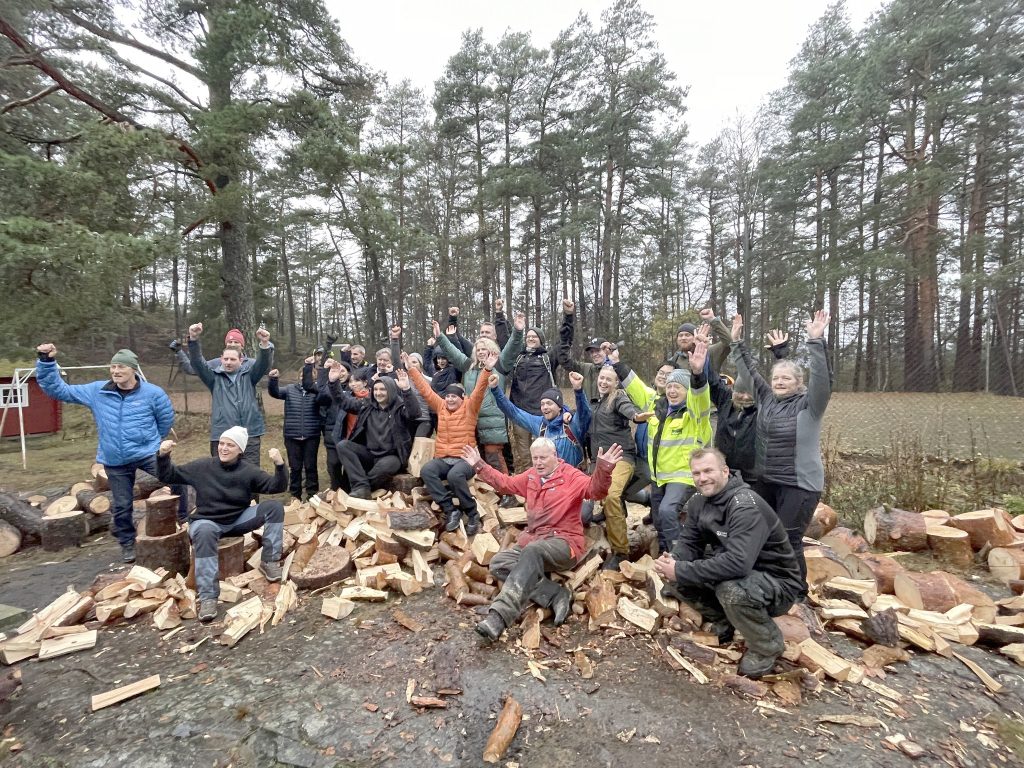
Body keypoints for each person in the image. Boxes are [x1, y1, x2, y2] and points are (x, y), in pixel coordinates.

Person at [653, 448, 803, 679]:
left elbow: (738, 563)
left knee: (730, 590)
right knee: (675, 577)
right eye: (696, 473)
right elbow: (690, 542)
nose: (702, 478)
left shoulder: (745, 506)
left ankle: (767, 645)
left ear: (725, 471)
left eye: (708, 471)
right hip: (737, 571)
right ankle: (726, 620)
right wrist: (675, 561)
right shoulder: (698, 501)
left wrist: (682, 570)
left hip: (776, 584)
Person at [464, 438, 624, 642]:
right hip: (535, 542)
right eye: (535, 458)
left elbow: (596, 490)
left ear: (555, 456)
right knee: (499, 563)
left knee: (533, 551)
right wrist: (479, 464)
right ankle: (556, 593)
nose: (538, 462)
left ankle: (500, 616)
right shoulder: (531, 477)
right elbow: (505, 484)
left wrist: (604, 469)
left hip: (565, 544)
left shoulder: (571, 476)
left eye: (543, 458)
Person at [35, 344, 175, 563]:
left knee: (177, 481)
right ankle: (128, 544)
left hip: (147, 452)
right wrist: (46, 362)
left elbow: (165, 419)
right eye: (113, 367)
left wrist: (151, 441)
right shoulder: (97, 392)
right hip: (115, 460)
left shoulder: (153, 393)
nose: (115, 371)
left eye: (121, 367)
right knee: (121, 506)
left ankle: (185, 523)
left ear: (133, 370)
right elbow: (58, 390)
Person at [731, 311, 832, 587]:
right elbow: (748, 371)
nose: (779, 381)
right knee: (760, 532)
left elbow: (822, 379)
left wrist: (815, 342)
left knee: (789, 539)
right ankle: (767, 580)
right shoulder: (766, 398)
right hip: (767, 480)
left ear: (799, 383)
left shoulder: (810, 405)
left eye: (786, 378)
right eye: (776, 377)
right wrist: (736, 342)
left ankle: (796, 590)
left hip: (799, 485)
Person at [156, 428, 287, 623]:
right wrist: (163, 456)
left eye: (230, 445)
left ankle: (270, 561)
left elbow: (277, 486)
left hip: (237, 519)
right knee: (204, 531)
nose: (224, 448)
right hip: (208, 521)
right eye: (222, 443)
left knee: (274, 507)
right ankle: (208, 597)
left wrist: (279, 464)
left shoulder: (248, 471)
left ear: (240, 450)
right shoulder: (202, 467)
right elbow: (169, 475)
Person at [616, 341, 712, 553]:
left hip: (682, 476)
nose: (672, 391)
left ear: (687, 391)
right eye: (669, 386)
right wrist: (617, 363)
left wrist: (697, 374)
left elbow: (701, 398)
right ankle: (665, 553)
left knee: (668, 512)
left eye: (677, 387)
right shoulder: (656, 407)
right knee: (659, 519)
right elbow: (637, 387)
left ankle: (680, 558)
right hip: (659, 476)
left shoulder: (694, 414)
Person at [404, 349, 496, 534]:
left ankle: (472, 513)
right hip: (443, 458)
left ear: (462, 398)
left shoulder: (470, 408)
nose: (450, 399)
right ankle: (450, 509)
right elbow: (426, 390)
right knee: (427, 470)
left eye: (454, 396)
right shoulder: (441, 407)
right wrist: (412, 371)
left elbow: (478, 391)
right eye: (447, 396)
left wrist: (486, 370)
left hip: (466, 460)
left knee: (455, 476)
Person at [434, 316, 523, 498]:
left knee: (494, 458)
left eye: (484, 349)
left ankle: (508, 494)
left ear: (491, 350)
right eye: (478, 349)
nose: (481, 352)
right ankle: (488, 493)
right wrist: (440, 337)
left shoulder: (500, 365)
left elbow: (512, 348)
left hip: (492, 421)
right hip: (472, 421)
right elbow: (452, 353)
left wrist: (518, 332)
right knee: (477, 458)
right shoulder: (469, 366)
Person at [586, 365, 653, 570]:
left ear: (616, 383)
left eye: (609, 379)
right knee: (606, 497)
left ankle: (620, 552)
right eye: (602, 378)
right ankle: (611, 515)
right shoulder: (596, 402)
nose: (604, 382)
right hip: (602, 460)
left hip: (621, 457)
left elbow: (628, 409)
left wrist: (635, 416)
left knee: (612, 495)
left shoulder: (618, 397)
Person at [187, 321, 273, 465]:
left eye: (232, 359)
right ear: (221, 360)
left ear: (240, 360)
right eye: (225, 359)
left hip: (249, 433)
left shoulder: (249, 375)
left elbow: (263, 364)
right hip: (222, 434)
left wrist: (264, 344)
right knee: (222, 475)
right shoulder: (213, 378)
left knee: (250, 472)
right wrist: (193, 339)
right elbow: (197, 363)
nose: (228, 362)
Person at [328, 366, 420, 498]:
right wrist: (333, 383)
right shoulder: (366, 405)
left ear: (391, 390)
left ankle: (360, 488)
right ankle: (361, 487)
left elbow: (414, 413)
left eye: (383, 389)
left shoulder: (399, 408)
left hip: (391, 456)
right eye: (376, 389)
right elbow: (344, 402)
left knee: (387, 465)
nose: (378, 393)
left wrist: (406, 389)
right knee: (343, 445)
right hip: (369, 453)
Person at [489, 371, 590, 468]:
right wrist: (496, 390)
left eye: (549, 403)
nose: (545, 407)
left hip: (573, 480)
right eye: (542, 404)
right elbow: (514, 413)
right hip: (549, 481)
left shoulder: (572, 424)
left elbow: (584, 413)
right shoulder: (540, 425)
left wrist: (578, 390)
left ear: (559, 407)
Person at [268, 356, 327, 502]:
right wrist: (273, 380)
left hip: (311, 435)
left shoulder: (317, 391)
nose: (304, 377)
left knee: (310, 466)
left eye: (309, 375)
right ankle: (295, 495)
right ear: (298, 376)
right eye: (302, 375)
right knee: (295, 468)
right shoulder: (289, 390)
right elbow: (274, 392)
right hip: (292, 435)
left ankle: (312, 495)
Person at [507, 326, 559, 472]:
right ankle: (529, 484)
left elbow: (564, 343)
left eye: (534, 336)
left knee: (542, 453)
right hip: (519, 413)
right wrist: (499, 316)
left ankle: (545, 482)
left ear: (541, 340)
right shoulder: (518, 358)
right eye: (528, 336)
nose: (530, 338)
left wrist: (568, 316)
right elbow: (506, 340)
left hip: (540, 414)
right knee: (524, 455)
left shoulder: (548, 358)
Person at [666, 308, 731, 375]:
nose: (683, 338)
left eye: (687, 335)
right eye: (680, 335)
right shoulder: (674, 359)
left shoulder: (709, 352)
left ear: (695, 337)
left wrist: (713, 319)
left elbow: (730, 342)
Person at [171, 328, 252, 376]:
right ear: (226, 344)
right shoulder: (217, 363)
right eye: (230, 342)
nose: (232, 344)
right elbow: (193, 369)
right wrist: (179, 351)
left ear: (242, 345)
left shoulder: (251, 364)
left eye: (236, 342)